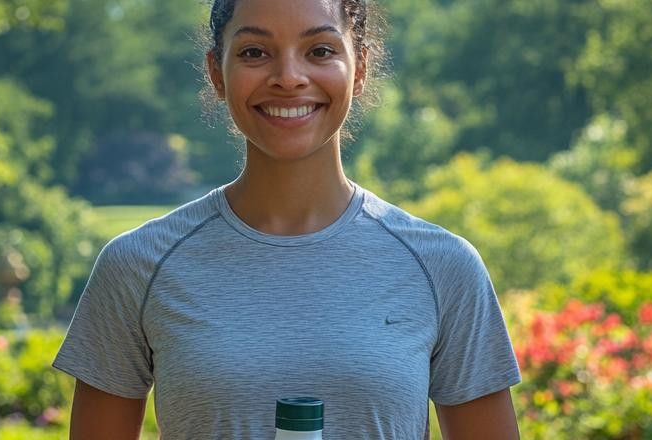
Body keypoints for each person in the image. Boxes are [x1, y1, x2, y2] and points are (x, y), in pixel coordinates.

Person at [52, 0, 521, 438]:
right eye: (255, 52)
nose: (289, 77)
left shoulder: (444, 267)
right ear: (217, 73)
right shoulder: (138, 265)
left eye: (320, 50)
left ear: (361, 67)